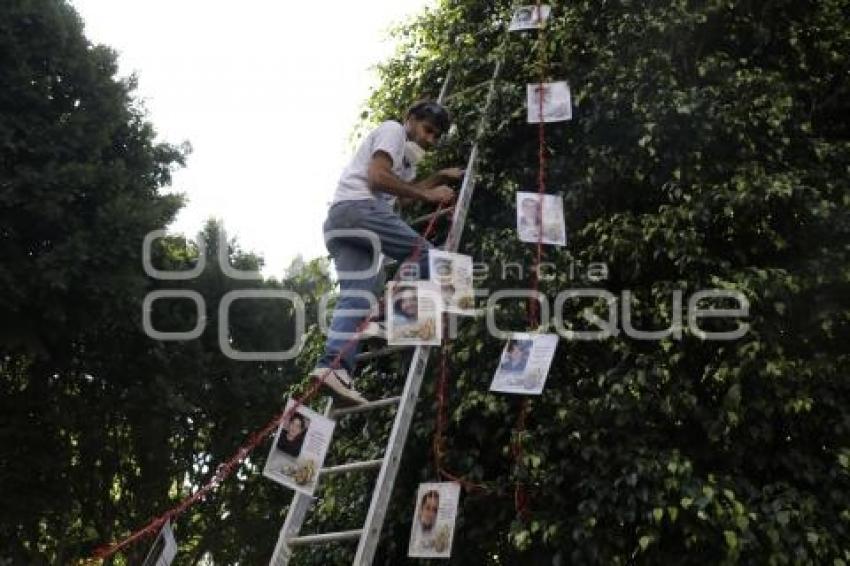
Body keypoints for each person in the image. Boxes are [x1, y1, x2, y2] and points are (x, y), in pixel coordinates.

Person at [309, 101, 463, 405]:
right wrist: (431, 194)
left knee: (355, 298)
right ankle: (382, 316)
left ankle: (333, 369)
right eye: (427, 129)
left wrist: (437, 178)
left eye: (436, 137)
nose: (429, 140)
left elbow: (399, 196)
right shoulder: (393, 130)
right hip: (358, 210)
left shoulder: (405, 160)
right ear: (410, 119)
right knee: (427, 256)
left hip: (341, 224)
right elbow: (378, 178)